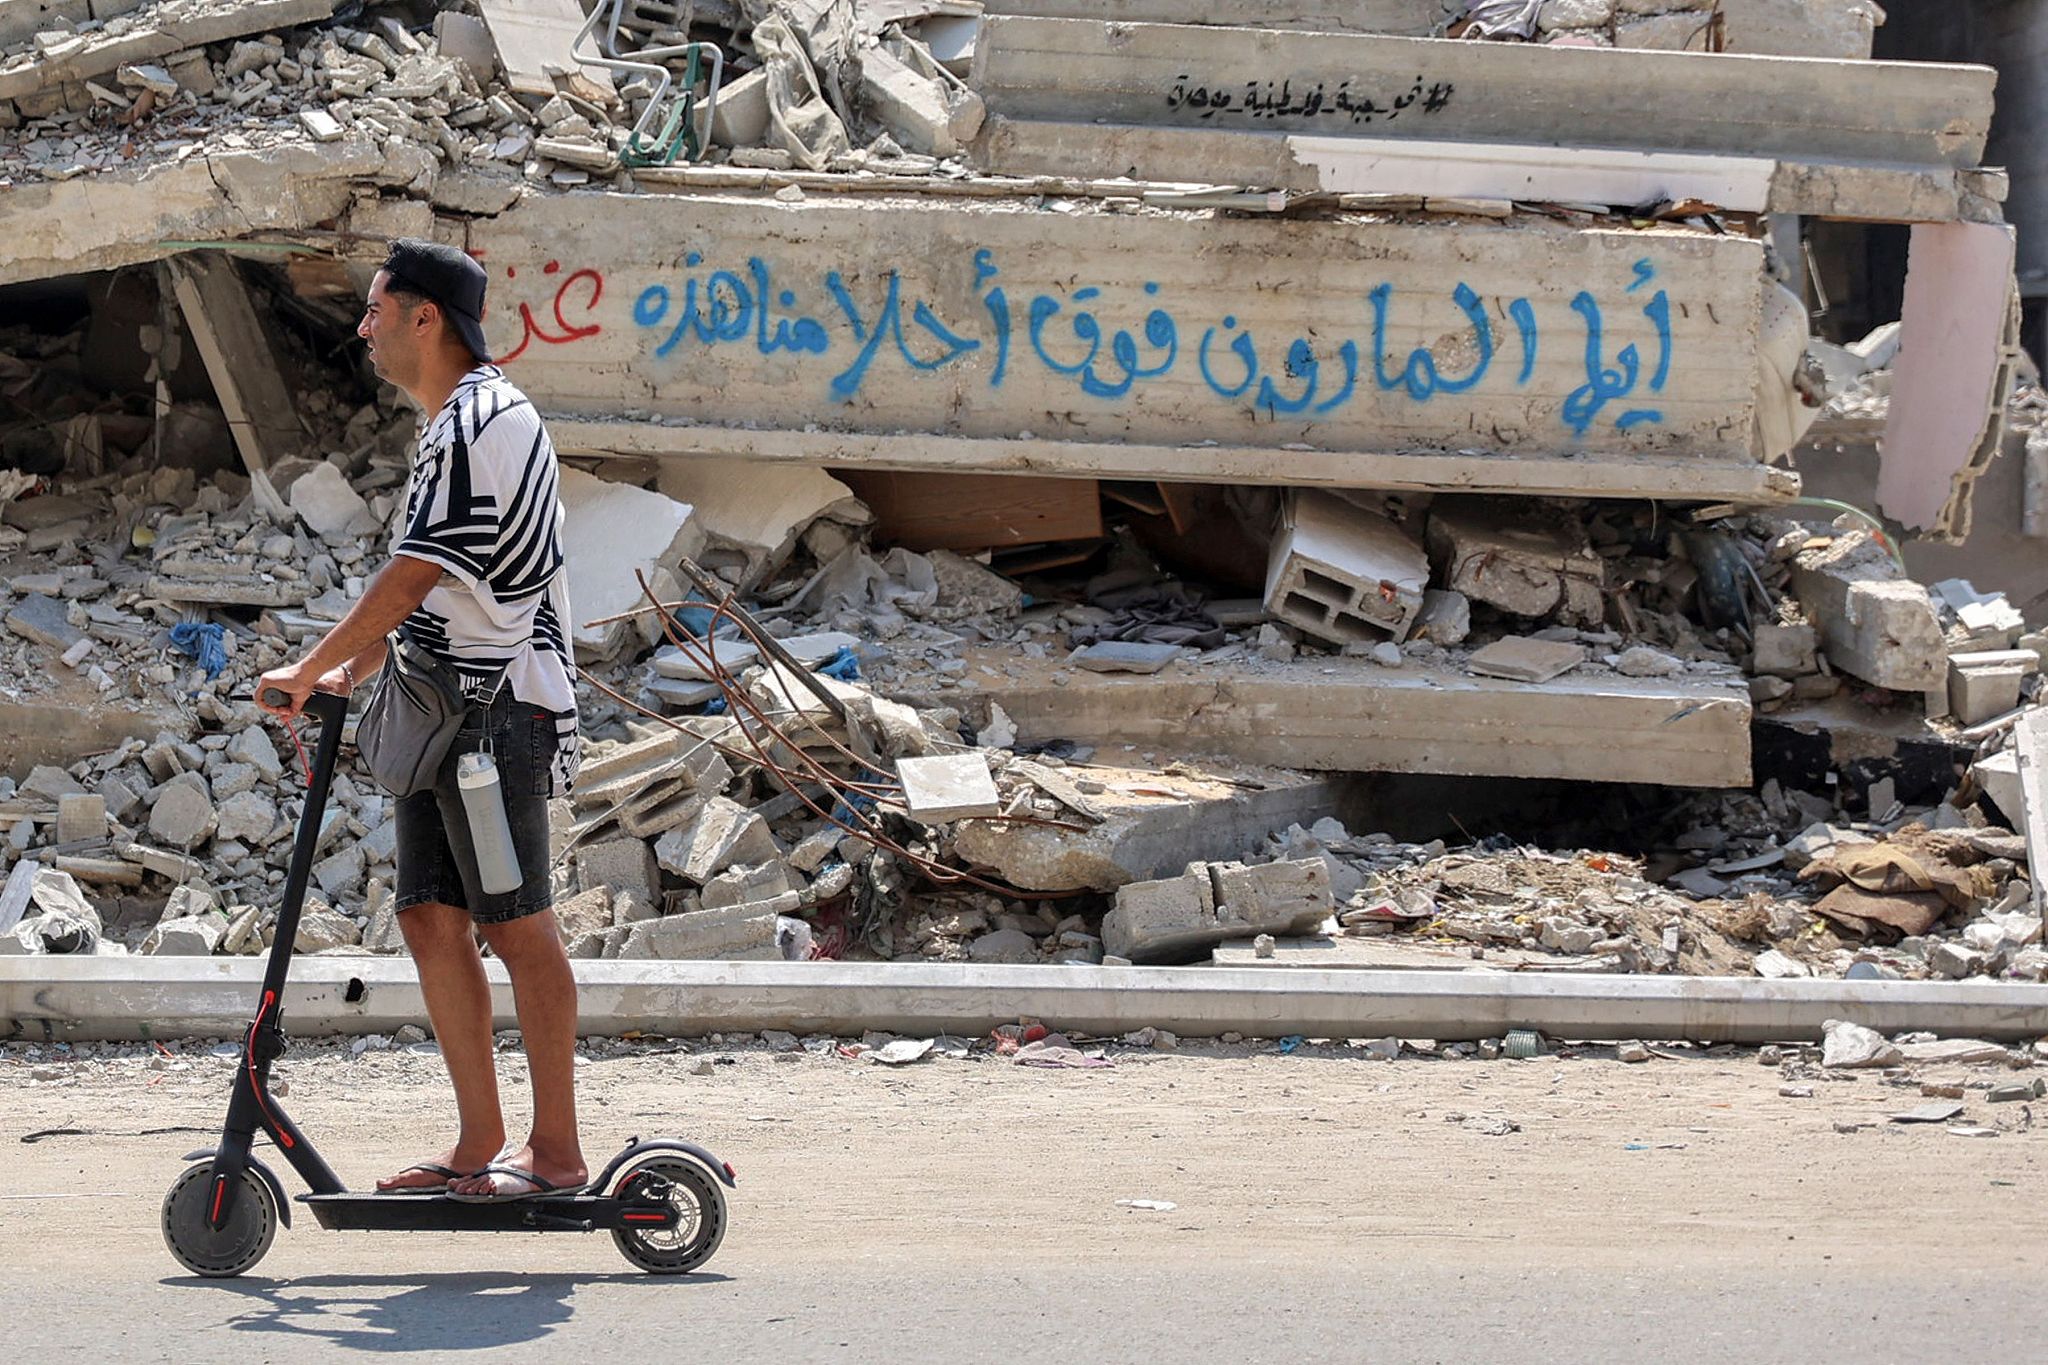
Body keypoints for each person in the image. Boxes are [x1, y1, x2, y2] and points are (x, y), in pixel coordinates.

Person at [257, 238, 586, 1202]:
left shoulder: (483, 419)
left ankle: (557, 1153)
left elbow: (417, 573)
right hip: (447, 711)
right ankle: (479, 1139)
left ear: (424, 316)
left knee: (519, 926)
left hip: (498, 713)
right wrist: (341, 675)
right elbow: (430, 598)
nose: (362, 327)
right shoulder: (454, 422)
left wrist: (312, 662)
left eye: (374, 309)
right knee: (430, 917)